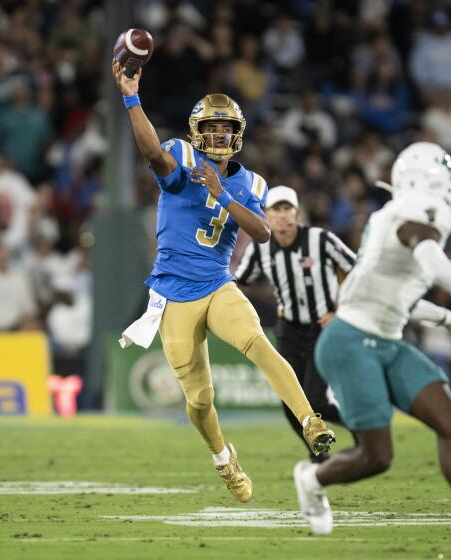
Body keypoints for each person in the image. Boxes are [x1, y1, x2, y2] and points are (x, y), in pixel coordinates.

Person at [293, 142, 451, 556]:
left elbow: (398, 292)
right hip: (351, 342)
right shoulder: (417, 214)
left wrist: (449, 318)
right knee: (377, 457)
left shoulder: (389, 216)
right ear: (434, 182)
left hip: (387, 340)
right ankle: (312, 479)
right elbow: (439, 269)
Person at [112, 60, 335, 504]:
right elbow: (152, 155)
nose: (217, 135)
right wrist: (131, 97)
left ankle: (311, 421)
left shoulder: (251, 181)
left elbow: (263, 232)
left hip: (217, 285)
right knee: (199, 399)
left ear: (236, 133)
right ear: (198, 131)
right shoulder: (181, 153)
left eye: (224, 128)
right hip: (174, 294)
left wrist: (221, 192)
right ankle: (223, 458)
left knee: (257, 341)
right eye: (210, 128)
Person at [235, 185, 356, 462]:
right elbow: (238, 283)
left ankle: (359, 428)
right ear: (266, 214)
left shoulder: (320, 239)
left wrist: (341, 309)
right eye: (275, 209)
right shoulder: (260, 249)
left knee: (315, 399)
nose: (281, 215)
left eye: (286, 208)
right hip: (288, 329)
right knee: (291, 402)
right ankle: (317, 453)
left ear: (296, 212)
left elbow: (356, 268)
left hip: (323, 329)